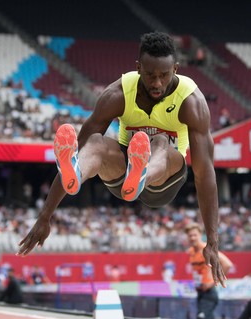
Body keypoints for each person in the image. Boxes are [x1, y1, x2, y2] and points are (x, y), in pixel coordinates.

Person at [17, 31, 225, 286]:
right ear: (138, 68)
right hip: (123, 175)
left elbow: (204, 174)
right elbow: (81, 147)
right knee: (94, 143)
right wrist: (45, 216)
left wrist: (212, 242)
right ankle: (80, 176)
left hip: (165, 179)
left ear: (176, 69)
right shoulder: (117, 94)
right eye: (150, 75)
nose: (157, 83)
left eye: (164, 75)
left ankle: (142, 174)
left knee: (159, 141)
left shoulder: (191, 101)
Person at [186, 223, 232, 319]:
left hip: (209, 292)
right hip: (200, 291)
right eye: (190, 235)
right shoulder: (191, 251)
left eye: (195, 235)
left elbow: (227, 264)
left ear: (200, 235)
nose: (192, 238)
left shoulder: (206, 249)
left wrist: (212, 282)